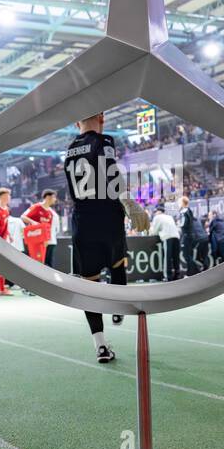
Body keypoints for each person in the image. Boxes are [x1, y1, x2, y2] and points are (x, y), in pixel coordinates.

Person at [65, 112, 139, 361]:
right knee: (118, 266)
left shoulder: (69, 150)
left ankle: (100, 345)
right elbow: (110, 171)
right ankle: (118, 308)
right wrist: (129, 202)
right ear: (103, 118)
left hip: (82, 222)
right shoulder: (104, 141)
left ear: (77, 123)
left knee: (89, 284)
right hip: (107, 216)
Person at [22, 190, 57, 264]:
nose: (55, 199)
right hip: (35, 241)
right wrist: (33, 222)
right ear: (47, 197)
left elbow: (48, 229)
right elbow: (23, 217)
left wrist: (47, 239)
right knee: (36, 263)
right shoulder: (36, 207)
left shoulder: (50, 212)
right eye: (54, 197)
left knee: (46, 263)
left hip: (45, 242)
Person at [150, 202, 180, 281]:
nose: (155, 213)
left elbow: (154, 232)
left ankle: (168, 276)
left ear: (158, 211)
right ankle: (177, 275)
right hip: (176, 236)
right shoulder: (169, 217)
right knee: (176, 257)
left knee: (167, 257)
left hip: (168, 237)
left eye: (156, 211)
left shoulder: (157, 217)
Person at [177, 194, 202, 276]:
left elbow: (183, 224)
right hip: (190, 235)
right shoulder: (189, 210)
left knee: (186, 255)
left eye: (179, 202)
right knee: (189, 255)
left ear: (183, 203)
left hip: (186, 236)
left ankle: (195, 271)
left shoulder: (184, 211)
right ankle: (192, 272)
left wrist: (178, 224)